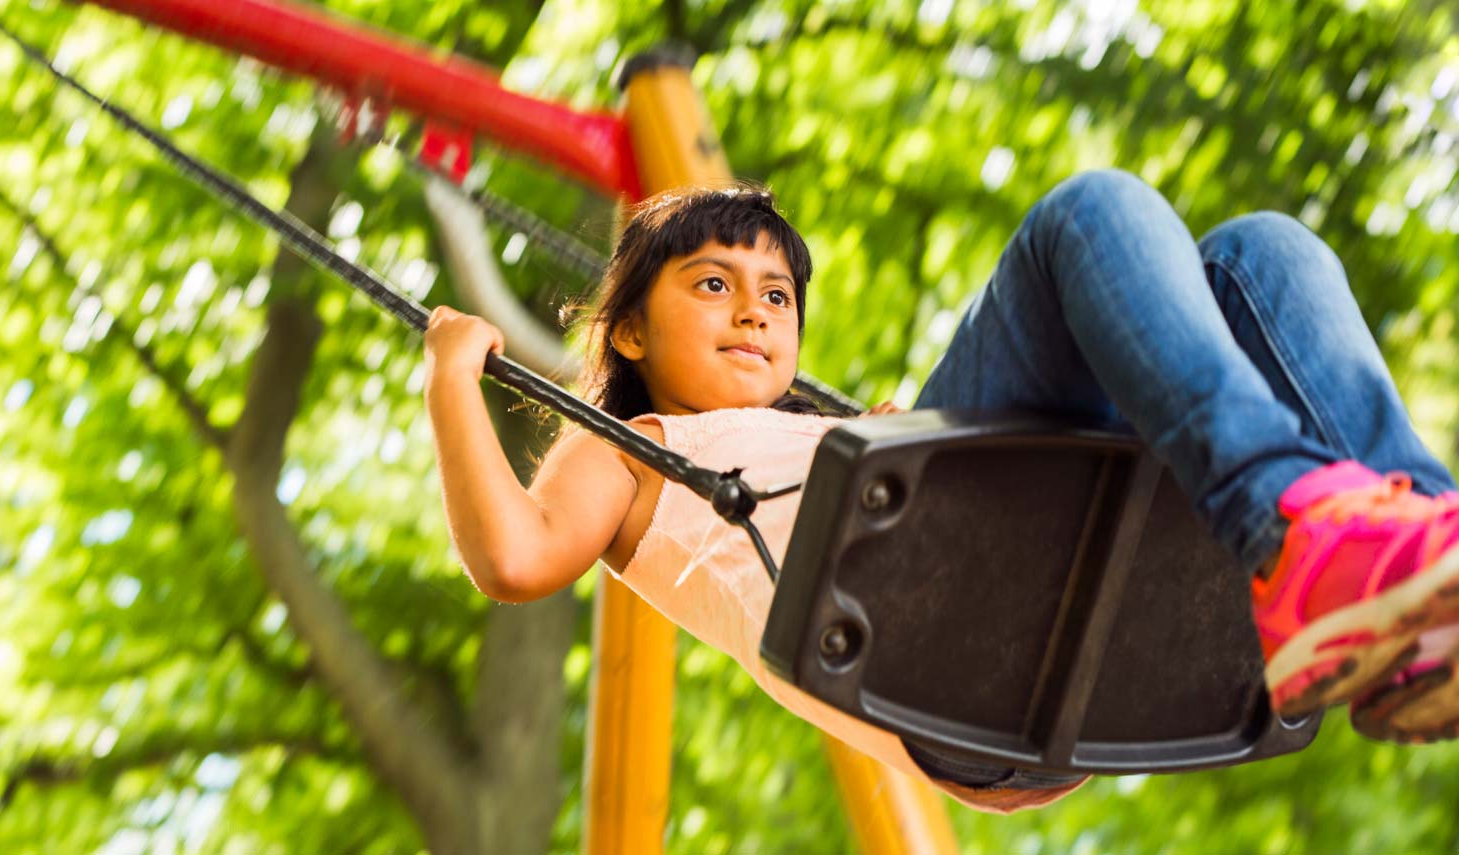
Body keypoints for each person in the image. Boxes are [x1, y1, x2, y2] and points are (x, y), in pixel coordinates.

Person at [420, 175, 1459, 810]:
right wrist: (451, 380)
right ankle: (1302, 540)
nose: (752, 312)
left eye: (775, 294)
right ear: (632, 333)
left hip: (1065, 611)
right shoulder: (632, 447)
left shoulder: (818, 437)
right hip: (945, 659)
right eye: (711, 284)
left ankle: (1414, 581)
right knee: (1090, 217)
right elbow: (515, 560)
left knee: (1264, 253)